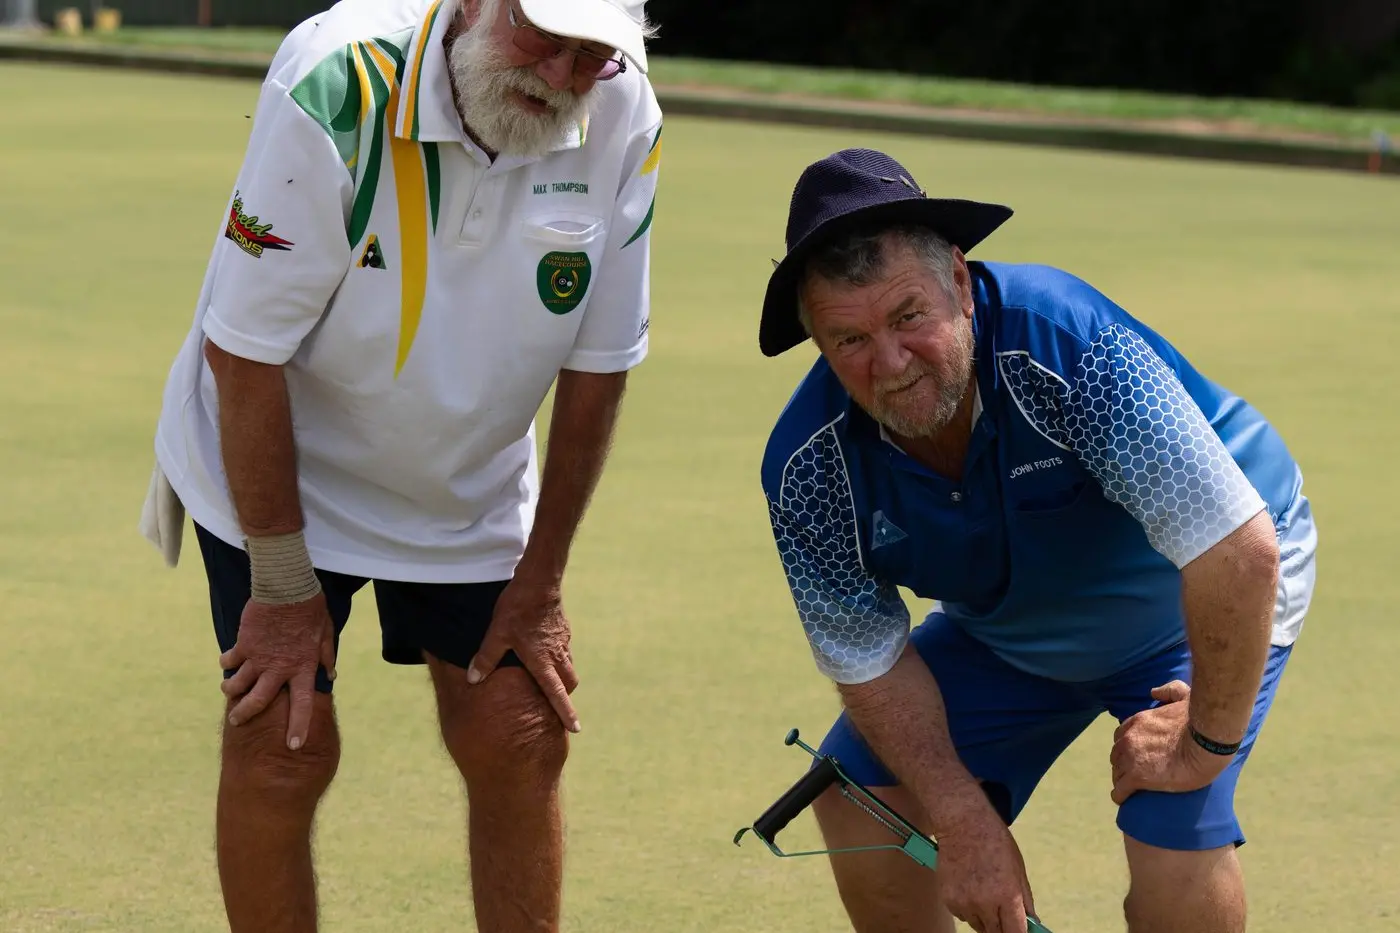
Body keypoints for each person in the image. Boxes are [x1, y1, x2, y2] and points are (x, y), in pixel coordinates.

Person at [138, 0, 663, 929]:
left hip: (467, 480)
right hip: (278, 462)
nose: (562, 77)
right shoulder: (335, 78)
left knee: (519, 736)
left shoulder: (622, 109)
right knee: (282, 745)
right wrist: (284, 583)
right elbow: (245, 353)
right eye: (546, 37)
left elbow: (599, 367)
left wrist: (539, 585)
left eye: (595, 56)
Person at [755, 148, 1316, 933]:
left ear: (958, 280)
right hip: (1014, 630)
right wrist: (961, 818)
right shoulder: (807, 466)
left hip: (1198, 592)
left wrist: (1206, 742)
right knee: (861, 798)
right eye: (848, 340)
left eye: (909, 316)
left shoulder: (1064, 341)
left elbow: (1236, 552)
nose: (888, 363)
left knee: (1173, 827)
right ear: (817, 342)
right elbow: (871, 661)